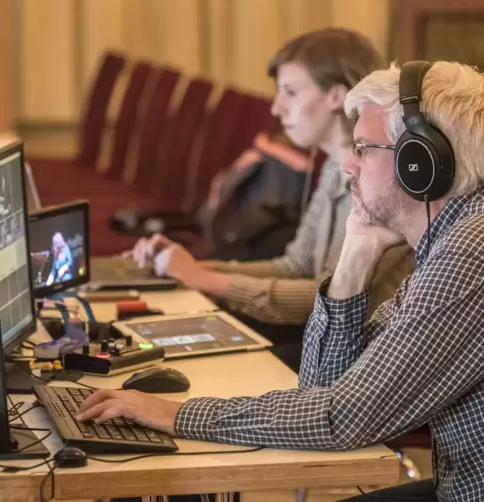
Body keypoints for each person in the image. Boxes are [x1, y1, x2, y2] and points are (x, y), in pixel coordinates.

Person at [78, 60, 484, 501]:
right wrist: (356, 252)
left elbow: (342, 418)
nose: (349, 165)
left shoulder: (468, 254)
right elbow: (323, 386)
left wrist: (177, 415)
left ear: (420, 165)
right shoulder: (449, 240)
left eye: (364, 148)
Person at [127, 28, 413, 328]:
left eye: (290, 92)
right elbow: (294, 267)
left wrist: (205, 279)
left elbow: (328, 297)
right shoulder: (333, 165)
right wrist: (184, 266)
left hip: (352, 348)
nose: (276, 108)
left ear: (336, 96)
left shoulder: (381, 180)